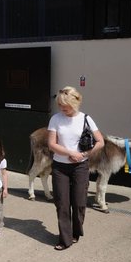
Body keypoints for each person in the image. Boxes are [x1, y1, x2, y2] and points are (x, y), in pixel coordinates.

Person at [47, 86, 104, 251]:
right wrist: (69, 152)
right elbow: (52, 144)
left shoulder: (86, 118)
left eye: (67, 106)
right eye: (60, 106)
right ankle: (65, 239)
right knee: (62, 204)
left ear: (76, 103)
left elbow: (100, 142)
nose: (63, 109)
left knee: (79, 203)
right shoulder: (55, 119)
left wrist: (84, 154)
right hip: (60, 167)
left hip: (80, 166)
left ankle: (76, 232)